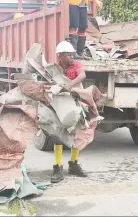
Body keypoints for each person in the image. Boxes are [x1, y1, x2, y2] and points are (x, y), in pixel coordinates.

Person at [51, 41, 87, 183]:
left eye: (72, 54)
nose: (72, 57)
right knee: (58, 135)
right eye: (68, 55)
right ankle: (57, 167)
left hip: (74, 100)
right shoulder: (55, 67)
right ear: (60, 56)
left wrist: (69, 86)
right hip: (59, 103)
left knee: (76, 133)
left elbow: (82, 75)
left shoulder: (76, 65)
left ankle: (73, 164)